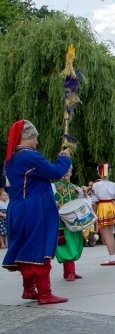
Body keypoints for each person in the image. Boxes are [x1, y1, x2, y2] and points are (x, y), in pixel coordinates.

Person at [2, 119, 72, 304]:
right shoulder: (29, 156)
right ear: (30, 136)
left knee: (26, 247)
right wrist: (64, 157)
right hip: (33, 209)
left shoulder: (10, 161)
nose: (37, 142)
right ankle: (44, 293)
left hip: (17, 207)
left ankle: (29, 289)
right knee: (38, 247)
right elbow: (55, 172)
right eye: (36, 138)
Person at [53, 166, 87, 281]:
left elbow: (83, 202)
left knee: (75, 243)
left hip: (75, 221)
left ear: (71, 172)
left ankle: (68, 271)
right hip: (61, 221)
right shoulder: (53, 186)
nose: (66, 173)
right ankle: (70, 272)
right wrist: (56, 203)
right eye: (63, 170)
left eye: (68, 170)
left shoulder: (76, 188)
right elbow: (47, 200)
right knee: (66, 244)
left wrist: (85, 193)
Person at [91, 161, 115, 266]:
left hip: (103, 207)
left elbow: (94, 199)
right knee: (110, 233)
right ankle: (113, 257)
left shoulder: (96, 185)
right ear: (109, 171)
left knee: (106, 234)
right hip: (111, 206)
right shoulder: (113, 184)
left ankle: (112, 258)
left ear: (98, 172)